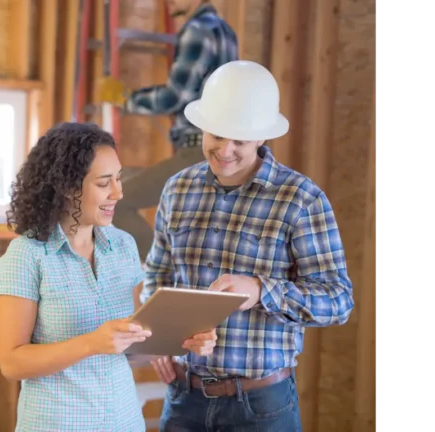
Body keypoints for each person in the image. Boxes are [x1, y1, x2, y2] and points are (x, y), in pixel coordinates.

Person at [141, 60, 355, 431]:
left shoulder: (300, 199)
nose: (225, 150)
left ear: (262, 137)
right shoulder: (177, 189)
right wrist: (160, 338)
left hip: (262, 407)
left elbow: (338, 301)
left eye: (240, 141)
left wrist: (260, 290)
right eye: (217, 135)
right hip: (183, 400)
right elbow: (157, 274)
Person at [0, 122, 218, 432]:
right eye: (104, 183)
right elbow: (12, 363)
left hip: (123, 421)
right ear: (68, 186)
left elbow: (130, 345)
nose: (118, 192)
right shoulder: (27, 255)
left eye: (119, 179)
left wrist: (182, 341)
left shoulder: (123, 245)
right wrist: (90, 344)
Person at [112, 0, 240, 260]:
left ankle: (154, 271)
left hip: (196, 152)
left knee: (116, 201)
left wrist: (126, 100)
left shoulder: (198, 30)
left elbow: (175, 95)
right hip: (215, 152)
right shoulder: (225, 32)